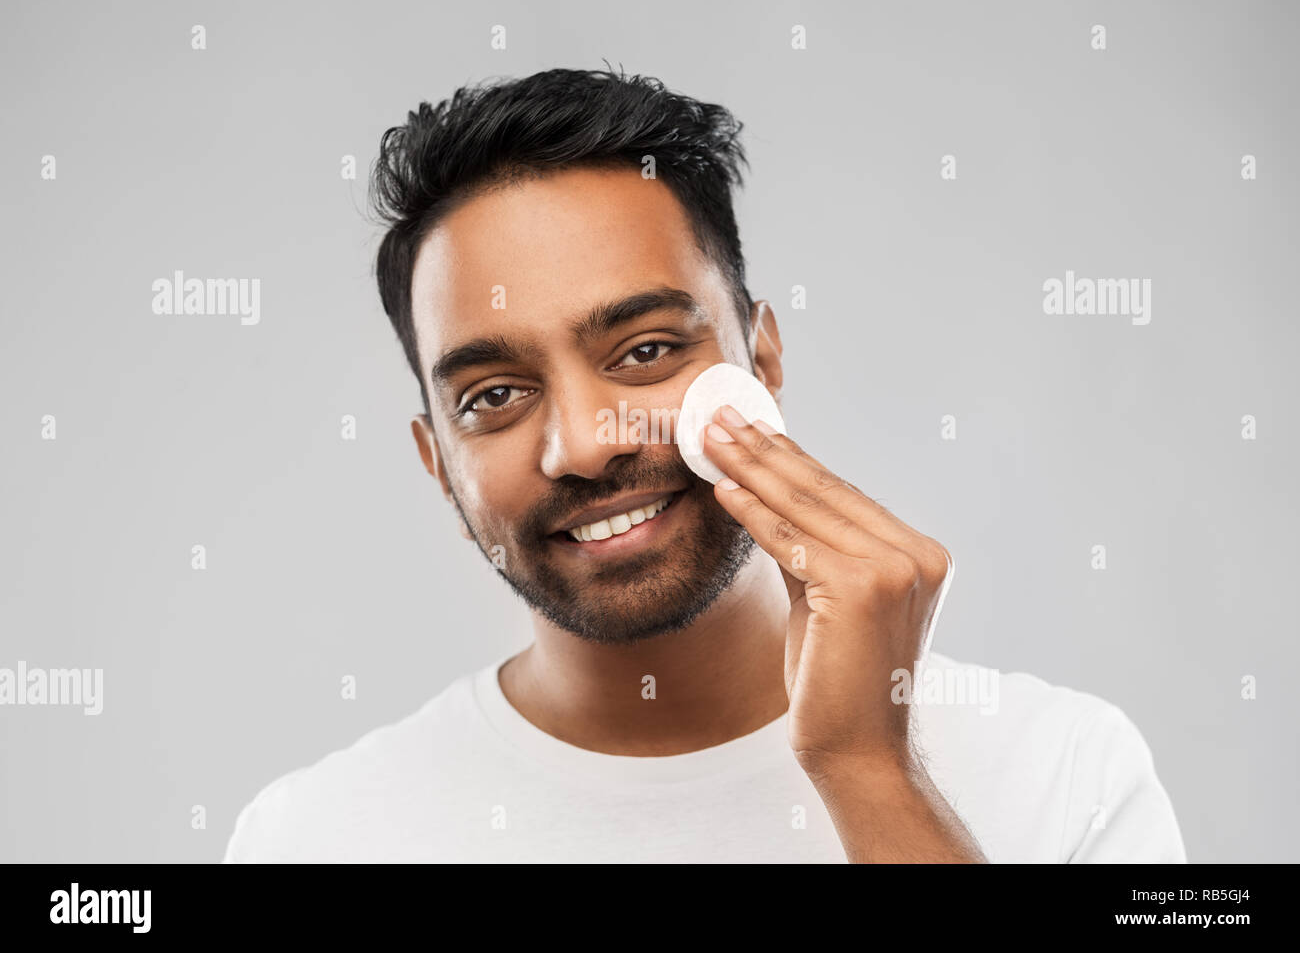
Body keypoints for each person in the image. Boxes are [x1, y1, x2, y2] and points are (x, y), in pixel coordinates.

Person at [224, 67, 1185, 863]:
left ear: (761, 361)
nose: (586, 443)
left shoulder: (1068, 776)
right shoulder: (312, 838)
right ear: (438, 461)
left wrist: (868, 769)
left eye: (645, 352)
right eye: (494, 396)